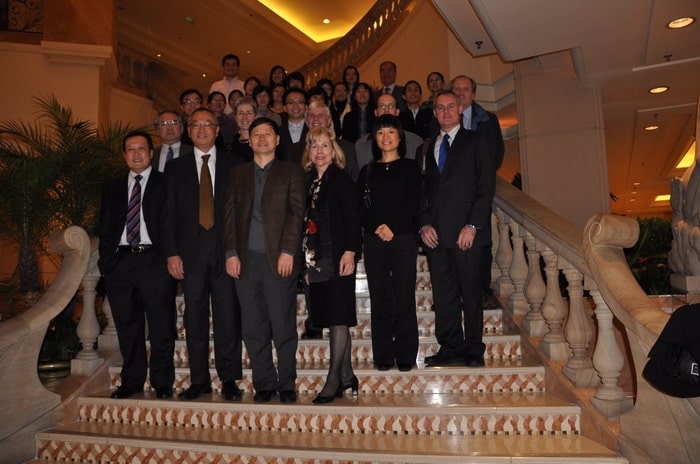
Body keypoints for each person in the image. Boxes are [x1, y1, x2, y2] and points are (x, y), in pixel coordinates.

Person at [222, 117, 306, 404]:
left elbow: (297, 214)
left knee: (283, 324)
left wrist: (289, 251)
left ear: (277, 139)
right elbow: (230, 216)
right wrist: (231, 253)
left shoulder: (291, 172)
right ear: (249, 139)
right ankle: (264, 383)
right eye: (256, 134)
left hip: (278, 259)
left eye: (267, 134)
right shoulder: (238, 173)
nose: (261, 139)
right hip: (245, 261)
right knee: (252, 326)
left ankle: (287, 383)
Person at [165, 108, 244, 401]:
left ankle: (229, 378)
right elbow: (168, 216)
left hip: (226, 253)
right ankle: (199, 380)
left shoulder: (236, 166)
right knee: (194, 319)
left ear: (217, 130)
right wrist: (172, 254)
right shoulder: (175, 169)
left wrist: (238, 252)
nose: (201, 130)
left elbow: (241, 215)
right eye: (195, 125)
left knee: (227, 316)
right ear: (188, 130)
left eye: (207, 125)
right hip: (190, 255)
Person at [418, 90, 496, 368]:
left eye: (451, 106)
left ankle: (474, 348)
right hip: (436, 236)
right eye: (440, 108)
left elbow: (486, 187)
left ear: (460, 109)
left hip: (467, 233)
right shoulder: (426, 148)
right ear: (435, 113)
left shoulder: (476, 140)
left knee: (471, 293)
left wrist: (473, 225)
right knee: (444, 295)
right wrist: (424, 223)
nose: (446, 111)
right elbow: (422, 192)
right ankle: (450, 347)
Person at [99, 130, 178, 399]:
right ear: (124, 155)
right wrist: (106, 263)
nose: (135, 153)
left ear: (151, 154)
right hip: (120, 263)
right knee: (127, 326)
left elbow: (172, 224)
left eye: (141, 148)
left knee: (161, 326)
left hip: (154, 261)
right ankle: (131, 381)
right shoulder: (111, 186)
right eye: (130, 149)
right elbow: (106, 225)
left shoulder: (167, 182)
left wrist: (172, 255)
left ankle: (162, 382)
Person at [301, 126, 361, 403]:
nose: (320, 151)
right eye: (315, 146)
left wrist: (350, 252)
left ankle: (334, 380)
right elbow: (304, 227)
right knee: (331, 318)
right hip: (315, 261)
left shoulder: (342, 180)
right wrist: (307, 265)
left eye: (325, 146)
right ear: (309, 152)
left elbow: (352, 220)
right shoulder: (308, 182)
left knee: (339, 319)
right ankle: (348, 375)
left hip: (339, 258)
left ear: (333, 150)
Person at [358, 115, 421, 372]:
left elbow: (414, 202)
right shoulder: (367, 170)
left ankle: (406, 353)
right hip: (374, 241)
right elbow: (360, 207)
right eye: (381, 132)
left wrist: (393, 228)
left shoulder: (410, 167)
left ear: (399, 137)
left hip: (403, 238)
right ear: (375, 138)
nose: (386, 137)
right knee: (380, 296)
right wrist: (377, 228)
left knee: (404, 295)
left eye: (391, 132)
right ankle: (383, 353)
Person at [450, 75, 505, 303]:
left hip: (478, 191)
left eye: (465, 89)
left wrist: (478, 176)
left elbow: (497, 154)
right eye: (457, 89)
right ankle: (455, 291)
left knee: (481, 240)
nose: (461, 92)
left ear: (473, 94)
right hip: (452, 194)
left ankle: (481, 290)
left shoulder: (487, 120)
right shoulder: (443, 120)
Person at [355, 93, 422, 169]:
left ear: (397, 112)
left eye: (391, 106)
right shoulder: (361, 145)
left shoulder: (416, 142)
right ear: (375, 112)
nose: (386, 110)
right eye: (382, 106)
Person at [278, 87, 308, 163]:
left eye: (300, 102)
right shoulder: (277, 132)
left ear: (306, 107)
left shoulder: (313, 131)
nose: (295, 106)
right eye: (291, 102)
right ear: (284, 108)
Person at [230, 97, 258, 163]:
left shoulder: (262, 141)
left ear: (256, 117)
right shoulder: (230, 147)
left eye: (249, 113)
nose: (244, 117)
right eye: (240, 113)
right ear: (235, 118)